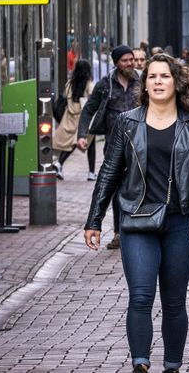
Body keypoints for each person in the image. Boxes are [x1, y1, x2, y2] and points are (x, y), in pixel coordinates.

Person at [83, 54, 189, 373]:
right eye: (152, 77)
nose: (158, 81)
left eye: (165, 76)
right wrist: (95, 219)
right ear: (144, 85)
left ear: (177, 82)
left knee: (173, 302)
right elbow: (109, 172)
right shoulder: (127, 122)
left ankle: (172, 365)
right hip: (137, 220)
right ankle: (140, 363)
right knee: (141, 296)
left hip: (180, 222)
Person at [78, 45, 140, 249]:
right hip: (114, 145)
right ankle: (119, 232)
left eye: (131, 59)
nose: (130, 63)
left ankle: (141, 228)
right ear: (116, 63)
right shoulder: (105, 85)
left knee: (140, 186)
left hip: (141, 143)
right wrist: (82, 136)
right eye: (125, 60)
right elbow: (88, 110)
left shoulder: (142, 82)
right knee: (117, 188)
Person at [52, 59, 95, 179]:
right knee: (88, 143)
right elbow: (93, 99)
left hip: (70, 117)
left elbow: (64, 98)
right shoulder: (88, 84)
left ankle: (59, 164)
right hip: (84, 118)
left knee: (72, 144)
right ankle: (91, 172)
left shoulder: (69, 84)